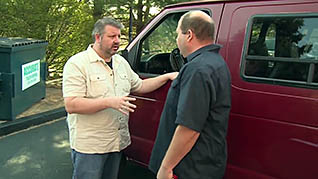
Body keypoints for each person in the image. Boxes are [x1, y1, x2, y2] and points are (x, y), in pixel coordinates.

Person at [62, 17, 178, 179]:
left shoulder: (120, 62)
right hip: (90, 147)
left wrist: (167, 77)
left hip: (116, 143)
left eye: (119, 36)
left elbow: (140, 86)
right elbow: (72, 105)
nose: (117, 41)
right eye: (112, 36)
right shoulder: (77, 64)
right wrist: (109, 102)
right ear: (98, 37)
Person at [149, 11, 231, 179]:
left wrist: (166, 167)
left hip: (189, 168)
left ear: (189, 35)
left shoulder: (197, 69)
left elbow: (189, 127)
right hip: (205, 163)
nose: (177, 40)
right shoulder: (216, 63)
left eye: (178, 34)